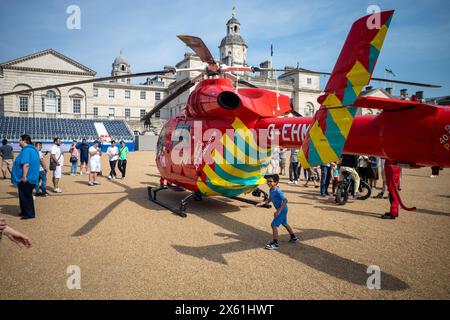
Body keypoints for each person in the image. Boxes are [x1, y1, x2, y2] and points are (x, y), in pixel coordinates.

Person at [257, 174, 299, 250]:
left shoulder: (278, 191)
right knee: (285, 223)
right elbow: (270, 198)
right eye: (267, 181)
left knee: (273, 225)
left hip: (282, 210)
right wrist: (264, 203)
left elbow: (286, 200)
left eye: (270, 181)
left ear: (276, 183)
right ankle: (294, 237)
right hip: (282, 210)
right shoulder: (271, 189)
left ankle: (275, 243)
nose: (268, 183)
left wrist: (278, 211)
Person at [11, 134, 40, 220]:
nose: (18, 141)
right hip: (30, 177)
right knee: (23, 195)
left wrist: (24, 176)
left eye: (19, 140)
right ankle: (24, 211)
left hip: (26, 178)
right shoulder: (32, 150)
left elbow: (26, 164)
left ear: (24, 141)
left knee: (26, 196)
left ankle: (29, 213)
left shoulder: (27, 150)